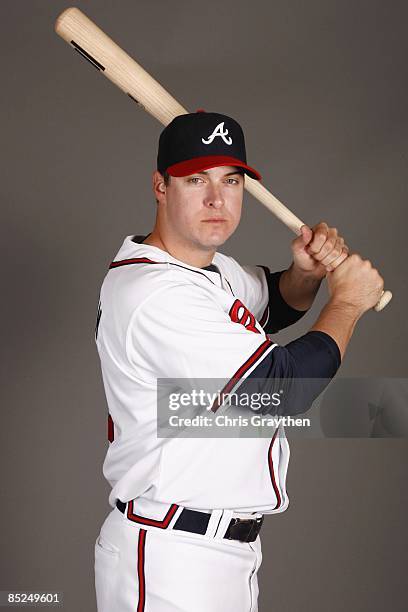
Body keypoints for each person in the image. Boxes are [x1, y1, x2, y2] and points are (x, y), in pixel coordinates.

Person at [93, 110, 384, 612]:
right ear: (160, 186)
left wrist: (306, 274)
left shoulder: (204, 270)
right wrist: (348, 302)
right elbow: (280, 389)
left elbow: (270, 303)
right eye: (195, 180)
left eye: (231, 181)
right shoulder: (153, 293)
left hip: (217, 552)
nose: (216, 199)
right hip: (171, 555)